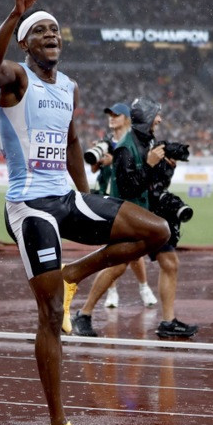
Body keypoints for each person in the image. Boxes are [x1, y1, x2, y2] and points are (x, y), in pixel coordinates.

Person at [0, 0, 170, 425]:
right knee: (49, 316)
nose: (52, 35)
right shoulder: (16, 79)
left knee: (158, 231)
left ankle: (74, 275)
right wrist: (14, 13)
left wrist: (84, 196)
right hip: (30, 207)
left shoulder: (69, 87)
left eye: (56, 30)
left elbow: (70, 142)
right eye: (41, 30)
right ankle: (58, 424)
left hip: (66, 198)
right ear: (25, 42)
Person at [71, 96, 198, 339]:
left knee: (170, 263)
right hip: (128, 217)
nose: (160, 119)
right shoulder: (124, 149)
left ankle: (168, 322)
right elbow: (129, 188)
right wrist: (149, 165)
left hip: (148, 215)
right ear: (147, 118)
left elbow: (154, 181)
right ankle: (83, 314)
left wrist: (166, 166)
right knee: (117, 266)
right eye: (156, 115)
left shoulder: (148, 141)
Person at [87, 103, 158, 311]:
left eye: (116, 115)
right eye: (110, 114)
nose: (111, 118)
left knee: (135, 250)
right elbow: (94, 169)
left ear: (126, 118)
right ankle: (112, 291)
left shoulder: (132, 143)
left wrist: (114, 161)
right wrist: (98, 160)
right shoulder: (105, 143)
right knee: (111, 249)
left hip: (127, 199)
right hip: (106, 197)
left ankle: (144, 287)